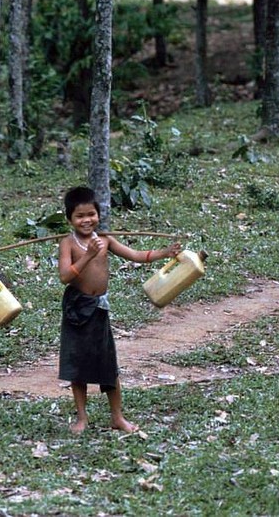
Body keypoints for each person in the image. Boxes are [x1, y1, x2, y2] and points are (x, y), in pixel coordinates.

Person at [58, 186, 181, 435]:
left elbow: (136, 255)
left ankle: (117, 416)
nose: (86, 220)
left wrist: (164, 253)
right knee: (77, 365)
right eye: (79, 216)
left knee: (108, 365)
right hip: (77, 310)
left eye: (91, 214)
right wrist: (89, 255)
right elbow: (64, 276)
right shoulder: (67, 244)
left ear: (99, 214)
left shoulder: (106, 240)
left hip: (99, 310)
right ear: (69, 219)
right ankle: (82, 418)